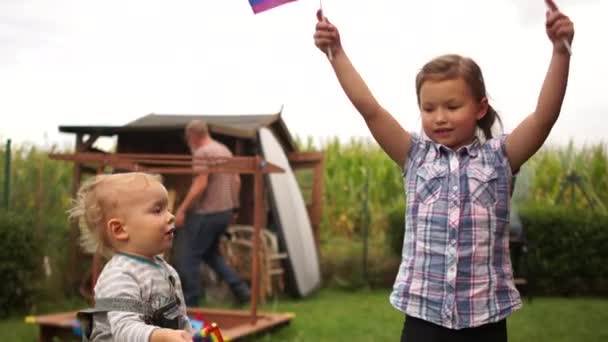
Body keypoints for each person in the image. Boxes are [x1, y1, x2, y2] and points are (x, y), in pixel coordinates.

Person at [313, 1, 574, 341]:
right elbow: (370, 109)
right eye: (429, 108)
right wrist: (336, 51)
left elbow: (544, 117)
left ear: (480, 108)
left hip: (486, 321)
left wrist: (560, 52)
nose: (439, 117)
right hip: (423, 319)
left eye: (452, 106)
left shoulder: (501, 157)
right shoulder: (414, 156)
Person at [71, 172, 194, 342]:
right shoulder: (119, 275)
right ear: (119, 230)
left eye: (168, 209)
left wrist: (189, 336)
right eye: (157, 210)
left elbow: (180, 320)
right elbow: (125, 330)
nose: (171, 216)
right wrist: (162, 336)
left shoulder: (167, 271)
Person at [174, 119, 251, 306]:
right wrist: (235, 207)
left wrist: (181, 210)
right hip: (224, 212)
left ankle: (190, 303)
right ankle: (241, 291)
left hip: (206, 213)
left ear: (192, 136)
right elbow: (237, 181)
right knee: (211, 255)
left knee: (189, 257)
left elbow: (200, 184)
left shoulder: (202, 153)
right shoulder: (224, 150)